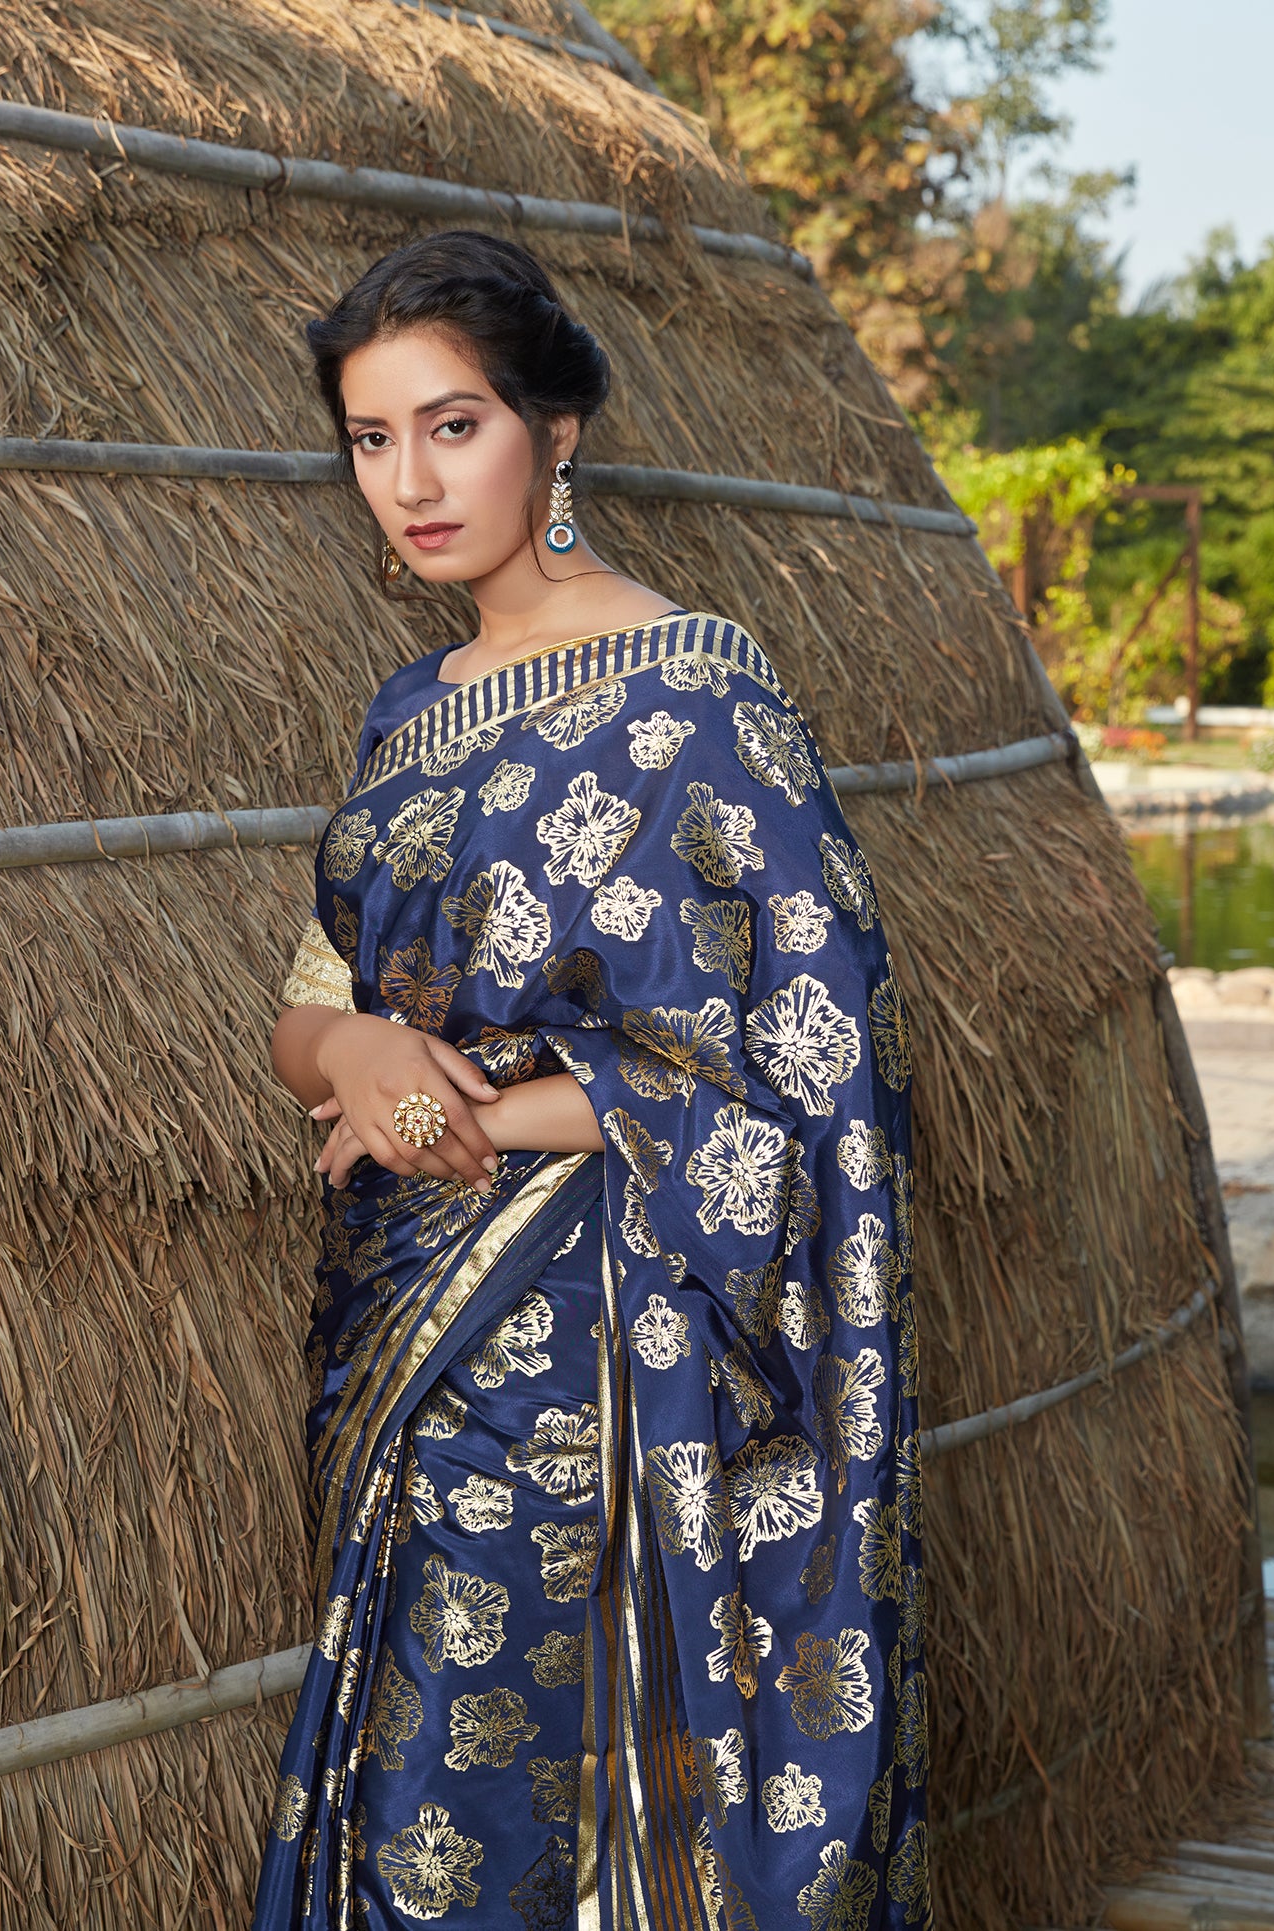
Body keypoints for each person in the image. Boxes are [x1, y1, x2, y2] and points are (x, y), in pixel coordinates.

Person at [252, 231, 925, 1931]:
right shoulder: (408, 713)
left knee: (541, 1785)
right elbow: (307, 1000)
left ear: (555, 434)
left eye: (451, 425)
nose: (407, 481)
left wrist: (458, 1114)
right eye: (369, 438)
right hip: (404, 1318)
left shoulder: (697, 694)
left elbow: (802, 1057)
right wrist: (358, 1051)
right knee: (412, 1783)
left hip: (608, 1342)